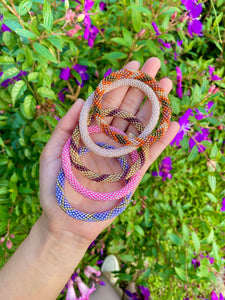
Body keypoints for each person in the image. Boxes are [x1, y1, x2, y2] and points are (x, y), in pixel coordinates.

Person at [0, 57, 179, 300]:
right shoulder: (82, 146)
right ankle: (107, 285)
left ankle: (106, 285)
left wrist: (60, 236)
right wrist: (60, 233)